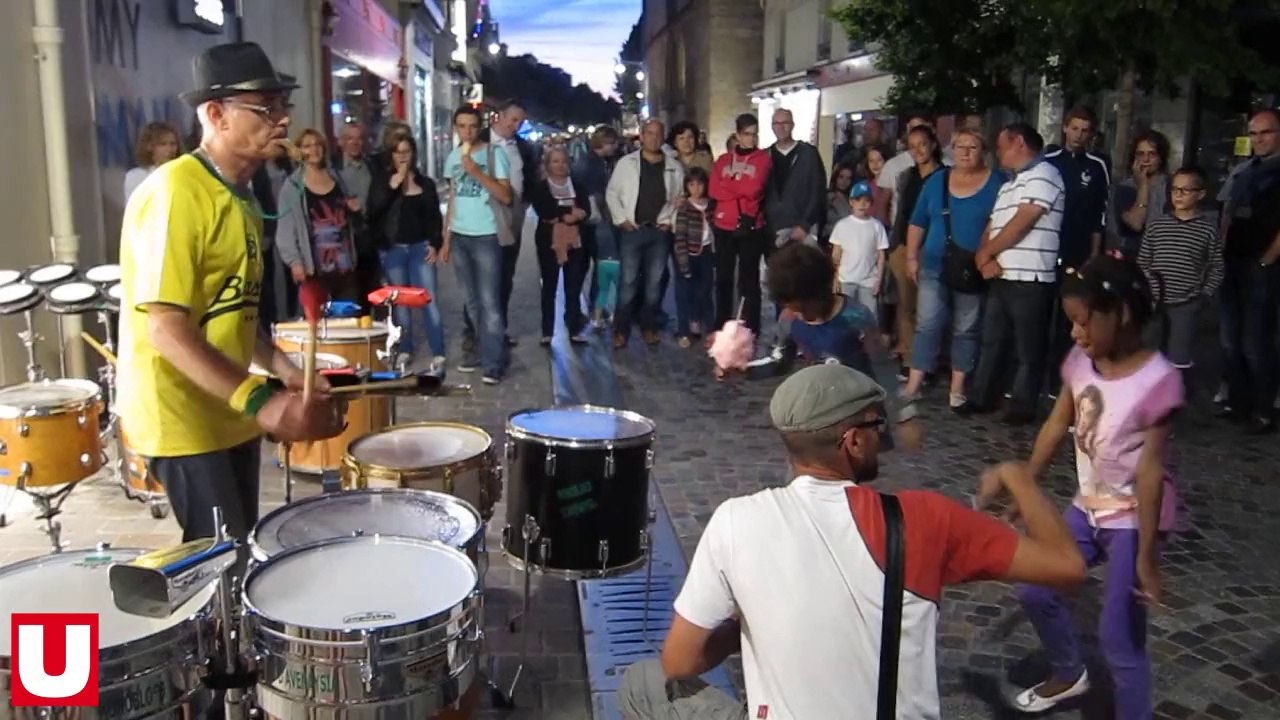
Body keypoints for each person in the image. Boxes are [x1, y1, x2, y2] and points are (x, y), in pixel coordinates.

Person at [618, 363, 1086, 719]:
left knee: (642, 682)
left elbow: (679, 661)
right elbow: (1067, 565)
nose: (881, 437)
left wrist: (746, 627)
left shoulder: (734, 522)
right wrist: (1019, 476)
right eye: (876, 427)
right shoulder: (925, 519)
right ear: (852, 442)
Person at [117, 42, 345, 556]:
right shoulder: (175, 191)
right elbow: (166, 328)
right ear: (215, 114)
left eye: (283, 105)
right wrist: (260, 400)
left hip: (226, 408)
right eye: (266, 108)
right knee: (222, 566)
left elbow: (232, 309)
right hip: (183, 416)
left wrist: (284, 367)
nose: (283, 119)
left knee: (240, 552)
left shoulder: (240, 194)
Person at [1000, 253, 1183, 717]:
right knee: (1036, 586)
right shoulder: (1081, 361)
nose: (1075, 334)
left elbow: (1149, 471)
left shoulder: (1157, 382)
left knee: (1119, 637)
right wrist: (1027, 483)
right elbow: (1058, 421)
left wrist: (1145, 557)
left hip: (1132, 517)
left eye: (1083, 323)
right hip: (1087, 506)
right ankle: (1068, 672)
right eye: (1071, 324)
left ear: (1119, 314)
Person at [963, 123, 1066, 425]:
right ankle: (983, 397)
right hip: (1002, 275)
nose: (997, 152)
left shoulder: (1046, 174)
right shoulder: (1009, 184)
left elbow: (1024, 221)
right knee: (992, 340)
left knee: (1028, 346)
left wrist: (986, 252)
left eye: (1001, 145)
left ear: (1018, 143)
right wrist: (983, 258)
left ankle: (1022, 405)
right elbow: (993, 224)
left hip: (1031, 276)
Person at [903, 129, 1003, 409]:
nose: (966, 152)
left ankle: (958, 385)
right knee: (927, 324)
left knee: (966, 327)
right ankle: (915, 382)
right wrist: (912, 256)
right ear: (952, 150)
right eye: (960, 147)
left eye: (973, 147)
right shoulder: (937, 181)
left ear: (983, 150)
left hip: (973, 267)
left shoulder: (998, 183)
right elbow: (917, 221)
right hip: (934, 264)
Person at [1216, 109, 1280, 434]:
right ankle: (1238, 402)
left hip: (1263, 264)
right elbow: (1227, 212)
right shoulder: (1243, 171)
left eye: (1265, 133)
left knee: (1257, 341)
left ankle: (1263, 408)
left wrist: (1268, 259)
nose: (1259, 140)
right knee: (1230, 338)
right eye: (1254, 134)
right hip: (1233, 261)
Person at [441, 106, 514, 385]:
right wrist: (446, 239)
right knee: (471, 303)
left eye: (472, 126)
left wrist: (476, 172)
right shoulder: (452, 157)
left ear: (479, 127)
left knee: (489, 302)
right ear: (455, 128)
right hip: (460, 236)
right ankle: (486, 351)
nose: (467, 131)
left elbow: (506, 196)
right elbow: (453, 199)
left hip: (487, 236)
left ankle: (494, 363)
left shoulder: (496, 155)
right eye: (461, 126)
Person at [1136, 166, 1223, 392]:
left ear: (1200, 194)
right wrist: (1147, 290)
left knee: (1179, 356)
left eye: (1186, 190)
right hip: (1154, 303)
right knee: (1150, 351)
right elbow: (1143, 261)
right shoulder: (1157, 225)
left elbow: (1216, 266)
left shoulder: (1207, 230)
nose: (1178, 195)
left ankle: (1174, 399)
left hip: (1187, 303)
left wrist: (1204, 296)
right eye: (1175, 189)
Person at [366, 135, 446, 373]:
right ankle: (405, 349)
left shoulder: (426, 183)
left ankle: (438, 350)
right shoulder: (382, 181)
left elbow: (434, 216)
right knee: (400, 303)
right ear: (391, 155)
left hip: (421, 247)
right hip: (394, 249)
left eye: (406, 151)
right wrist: (394, 185)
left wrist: (435, 243)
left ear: (413, 154)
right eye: (397, 152)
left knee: (428, 300)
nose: (402, 156)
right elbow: (374, 212)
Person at [605, 119, 685, 348]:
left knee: (654, 284)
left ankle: (649, 326)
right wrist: (622, 220)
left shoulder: (673, 166)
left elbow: (678, 199)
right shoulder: (626, 163)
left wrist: (669, 221)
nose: (653, 138)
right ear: (641, 136)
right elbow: (612, 193)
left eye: (658, 134)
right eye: (649, 133)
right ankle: (621, 329)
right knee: (628, 283)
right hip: (633, 230)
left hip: (658, 231)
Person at [275, 128, 362, 304]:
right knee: (319, 326)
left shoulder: (337, 178)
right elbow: (285, 229)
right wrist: (294, 262)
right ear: (299, 151)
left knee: (347, 324)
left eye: (318, 145)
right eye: (307, 146)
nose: (314, 150)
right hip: (313, 269)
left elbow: (350, 214)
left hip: (344, 267)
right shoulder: (292, 185)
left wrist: (354, 209)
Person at [710, 114, 772, 335]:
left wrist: (730, 184)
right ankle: (722, 323)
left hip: (749, 225)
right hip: (723, 225)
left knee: (749, 280)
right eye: (746, 134)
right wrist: (739, 185)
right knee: (724, 278)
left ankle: (751, 326)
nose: (751, 139)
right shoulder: (723, 160)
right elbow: (713, 190)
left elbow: (755, 188)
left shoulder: (763, 158)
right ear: (737, 135)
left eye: (754, 134)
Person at [528, 146, 591, 346]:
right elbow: (545, 209)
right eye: (555, 161)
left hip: (576, 242)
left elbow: (586, 209)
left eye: (563, 161)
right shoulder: (540, 187)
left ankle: (574, 328)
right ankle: (547, 331)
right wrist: (567, 213)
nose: (560, 165)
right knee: (549, 286)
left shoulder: (578, 186)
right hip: (549, 243)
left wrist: (576, 214)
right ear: (548, 165)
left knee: (573, 286)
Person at [764, 108, 828, 249]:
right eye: (776, 123)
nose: (780, 127)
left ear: (792, 125)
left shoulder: (808, 154)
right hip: (772, 231)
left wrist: (805, 224)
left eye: (785, 122)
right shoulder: (764, 156)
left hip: (802, 229)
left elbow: (818, 191)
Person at [829, 180, 888, 320]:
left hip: (868, 281)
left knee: (869, 316)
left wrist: (878, 279)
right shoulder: (842, 225)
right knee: (845, 315)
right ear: (851, 202)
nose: (862, 204)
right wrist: (835, 278)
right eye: (858, 200)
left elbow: (881, 254)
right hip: (846, 279)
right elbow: (836, 254)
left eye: (866, 200)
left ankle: (868, 341)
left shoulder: (876, 226)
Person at [671, 166, 716, 347]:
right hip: (688, 254)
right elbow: (680, 237)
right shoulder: (685, 208)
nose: (696, 188)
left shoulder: (711, 205)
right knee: (685, 293)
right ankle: (684, 331)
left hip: (706, 252)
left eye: (699, 184)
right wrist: (683, 263)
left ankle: (709, 330)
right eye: (692, 184)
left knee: (705, 292)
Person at [124, 121, 181, 203]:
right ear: (149, 146)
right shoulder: (136, 176)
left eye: (173, 144)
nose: (169, 149)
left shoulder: (182, 174)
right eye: (163, 144)